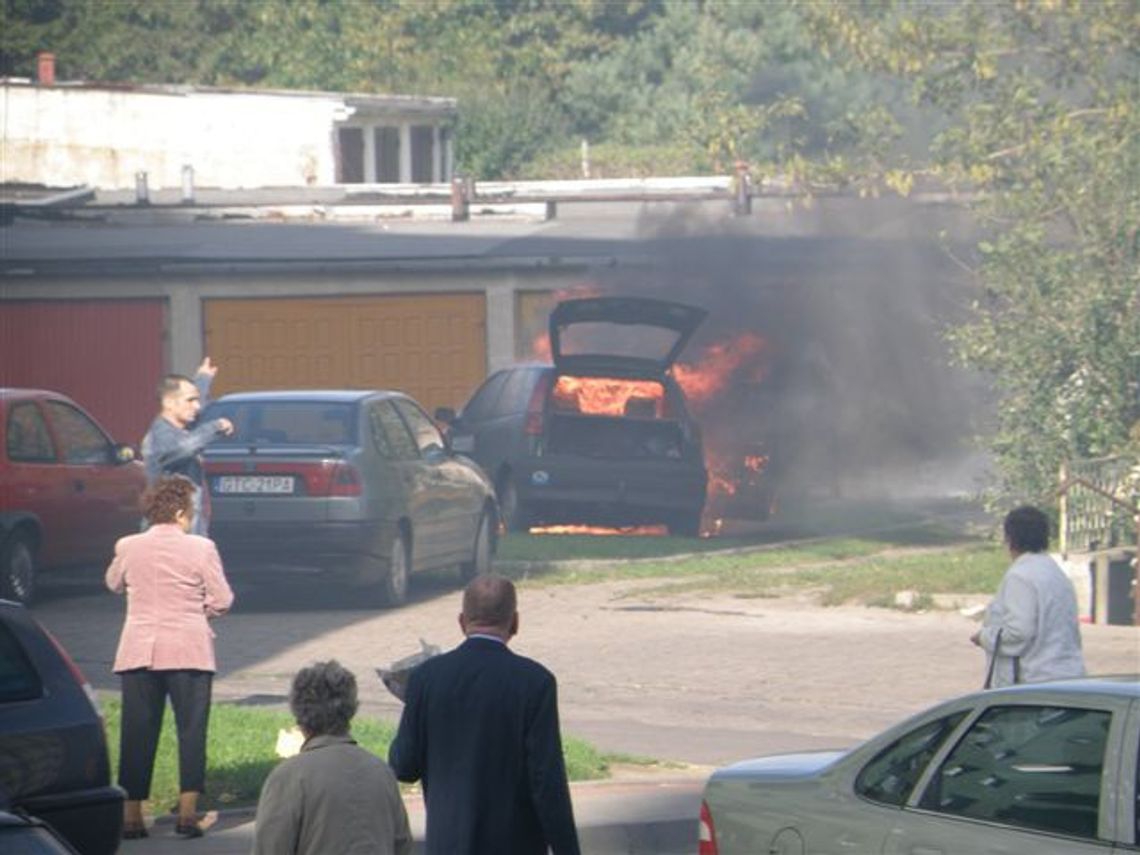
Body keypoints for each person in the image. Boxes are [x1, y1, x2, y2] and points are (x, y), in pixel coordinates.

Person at [389, 576, 580, 855]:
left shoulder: (426, 679)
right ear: (515, 622)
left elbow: (404, 766)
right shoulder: (536, 683)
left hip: (448, 845)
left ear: (461, 621)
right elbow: (547, 781)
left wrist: (416, 711)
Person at [106, 475, 234, 840]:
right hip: (189, 650)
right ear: (179, 512)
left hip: (138, 652)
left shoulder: (128, 545)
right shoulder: (202, 548)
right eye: (190, 512)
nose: (192, 518)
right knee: (191, 731)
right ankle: (188, 815)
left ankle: (131, 817)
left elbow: (113, 583)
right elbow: (223, 599)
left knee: (136, 733)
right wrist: (198, 610)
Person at [251, 660, 413, 855]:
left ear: (298, 713)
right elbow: (402, 844)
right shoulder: (380, 771)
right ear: (352, 709)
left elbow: (271, 847)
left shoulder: (289, 776)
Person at [971, 505, 1086, 688]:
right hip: (1068, 676)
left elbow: (1018, 634)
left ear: (1010, 538)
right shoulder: (1055, 571)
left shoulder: (1020, 576)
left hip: (1034, 682)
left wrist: (984, 637)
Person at [141, 357, 234, 536]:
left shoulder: (181, 428)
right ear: (168, 403)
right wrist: (216, 427)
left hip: (189, 527)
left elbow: (196, 413)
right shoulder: (160, 435)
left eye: (197, 400)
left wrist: (203, 379)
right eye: (190, 401)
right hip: (170, 533)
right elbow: (182, 449)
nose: (197, 406)